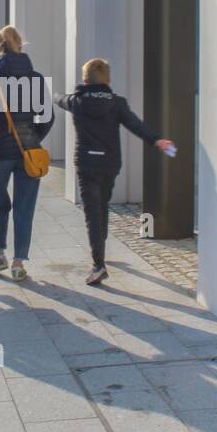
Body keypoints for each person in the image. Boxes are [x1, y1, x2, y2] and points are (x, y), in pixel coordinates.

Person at [54, 58, 174, 286]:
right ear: (108, 79)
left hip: (87, 164)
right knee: (102, 206)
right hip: (109, 164)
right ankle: (101, 248)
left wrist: (52, 94)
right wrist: (156, 140)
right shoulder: (117, 103)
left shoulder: (77, 102)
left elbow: (60, 99)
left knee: (93, 213)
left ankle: (98, 265)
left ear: (85, 79)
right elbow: (135, 125)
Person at [0, 25, 53, 281]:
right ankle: (19, 262)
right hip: (29, 151)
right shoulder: (36, 78)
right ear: (20, 45)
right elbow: (48, 117)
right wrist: (32, 137)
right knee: (24, 205)